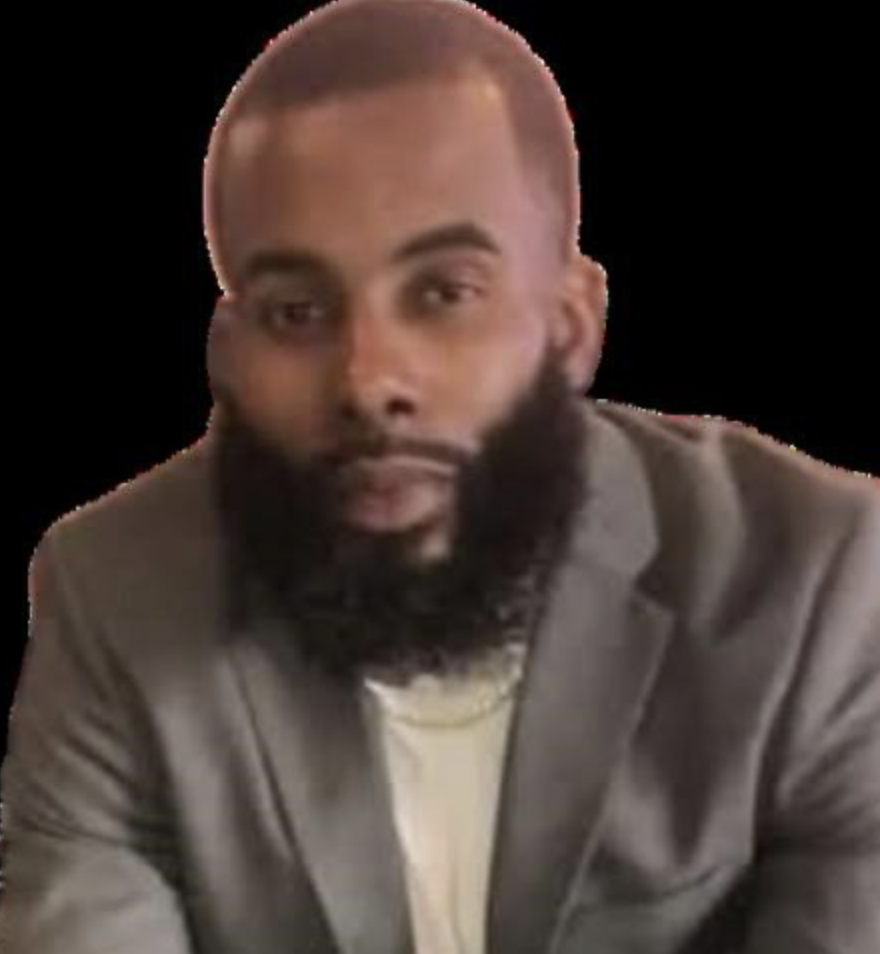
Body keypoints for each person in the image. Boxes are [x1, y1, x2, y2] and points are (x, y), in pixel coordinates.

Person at [2, 1, 878, 951]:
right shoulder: (114, 597)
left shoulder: (818, 582)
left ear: (570, 326)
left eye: (443, 292)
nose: (369, 380)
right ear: (230, 354)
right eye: (297, 312)